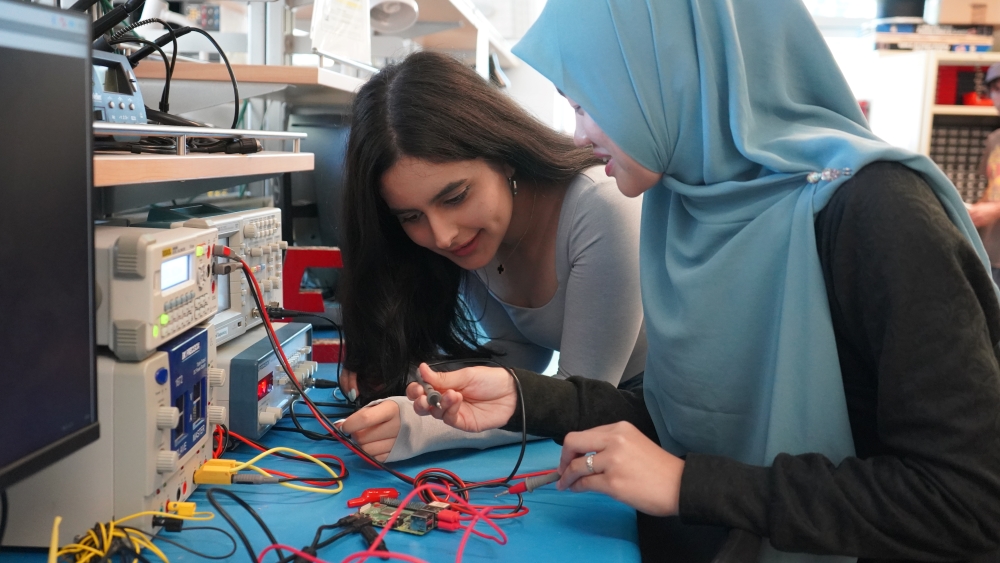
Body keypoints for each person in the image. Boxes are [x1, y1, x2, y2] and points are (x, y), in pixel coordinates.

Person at [405, 1, 1000, 562]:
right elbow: (682, 417)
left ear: (668, 71)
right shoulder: (684, 208)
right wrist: (525, 397)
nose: (580, 135)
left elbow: (967, 501)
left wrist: (689, 484)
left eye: (587, 103)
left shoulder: (878, 212)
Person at [336, 51, 647, 462]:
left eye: (456, 196)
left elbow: (579, 400)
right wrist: (407, 382)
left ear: (502, 155)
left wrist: (419, 425)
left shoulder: (601, 207)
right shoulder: (478, 235)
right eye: (412, 216)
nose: (442, 236)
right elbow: (517, 355)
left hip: (665, 427)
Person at [969, 62, 1000, 283]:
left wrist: (996, 210)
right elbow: (992, 190)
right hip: (991, 255)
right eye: (998, 89)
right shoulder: (994, 140)